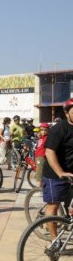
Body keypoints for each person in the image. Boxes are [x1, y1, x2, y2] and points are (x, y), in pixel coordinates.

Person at [42, 99, 73, 240]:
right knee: (53, 207)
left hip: (71, 173)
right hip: (55, 174)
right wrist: (60, 172)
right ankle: (54, 241)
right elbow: (49, 152)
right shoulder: (58, 129)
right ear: (67, 113)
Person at [34, 122, 50, 188]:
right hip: (38, 156)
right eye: (42, 130)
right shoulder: (41, 137)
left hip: (42, 157)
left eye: (45, 130)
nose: (43, 131)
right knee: (39, 172)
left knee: (39, 174)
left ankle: (37, 190)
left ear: (48, 130)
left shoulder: (47, 138)